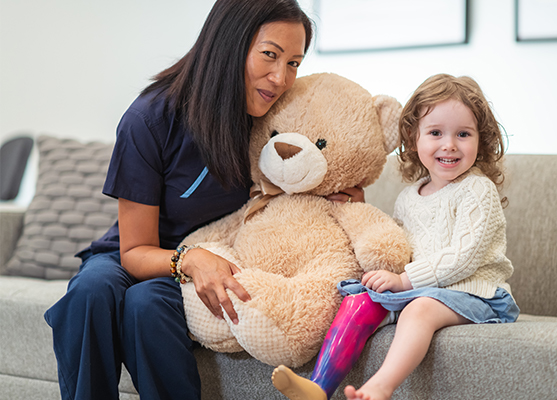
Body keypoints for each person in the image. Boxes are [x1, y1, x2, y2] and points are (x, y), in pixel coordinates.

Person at [42, 1, 363, 399]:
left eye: (294, 63)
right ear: (229, 44)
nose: (281, 78)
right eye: (269, 55)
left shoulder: (275, 121)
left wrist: (337, 191)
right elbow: (135, 251)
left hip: (223, 257)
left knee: (147, 305)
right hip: (144, 253)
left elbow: (311, 165)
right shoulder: (150, 118)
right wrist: (189, 258)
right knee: (90, 292)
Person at [271, 73, 520, 400]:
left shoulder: (477, 190)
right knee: (359, 300)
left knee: (420, 309)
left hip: (478, 294)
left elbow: (463, 258)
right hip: (425, 289)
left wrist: (404, 281)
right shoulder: (409, 196)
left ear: (481, 140)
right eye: (435, 133)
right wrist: (365, 216)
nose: (449, 144)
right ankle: (319, 386)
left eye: (463, 134)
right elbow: (401, 246)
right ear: (413, 139)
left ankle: (380, 387)